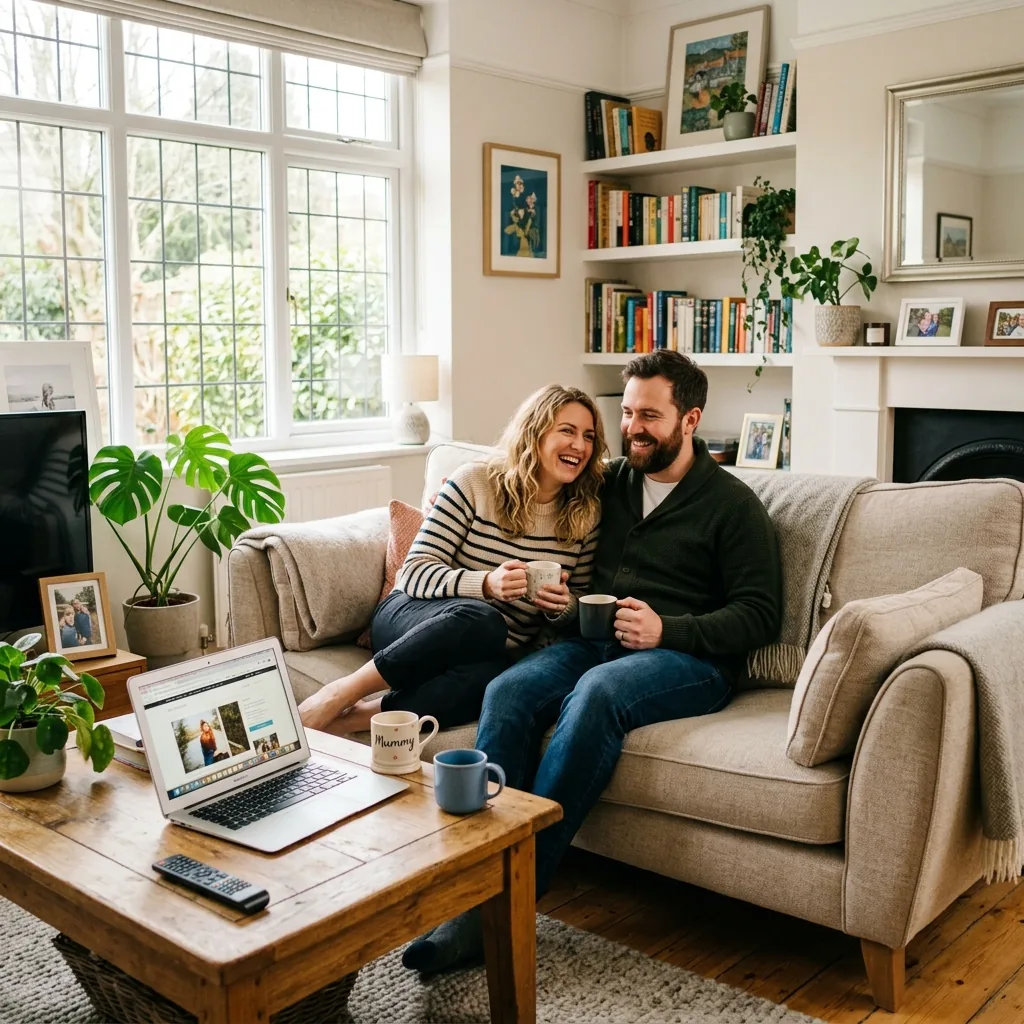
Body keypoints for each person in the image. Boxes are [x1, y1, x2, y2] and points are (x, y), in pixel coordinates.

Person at [401, 351, 782, 974]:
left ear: (690, 420)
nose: (633, 426)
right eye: (628, 412)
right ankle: (470, 881)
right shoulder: (608, 481)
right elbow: (530, 480)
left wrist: (669, 628)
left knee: (599, 694)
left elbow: (760, 615)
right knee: (510, 691)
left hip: (688, 659)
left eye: (650, 416)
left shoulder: (733, 506)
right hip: (591, 640)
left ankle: (505, 903)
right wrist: (550, 599)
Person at [297, 385, 606, 736]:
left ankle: (357, 719)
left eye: (589, 436)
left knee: (498, 681)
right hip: (414, 618)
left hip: (488, 652)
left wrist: (561, 607)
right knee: (485, 619)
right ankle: (342, 692)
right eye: (567, 430)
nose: (579, 446)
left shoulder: (585, 515)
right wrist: (486, 584)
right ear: (535, 432)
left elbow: (579, 598)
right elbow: (412, 572)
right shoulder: (475, 482)